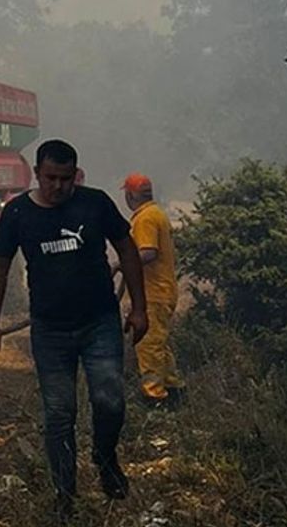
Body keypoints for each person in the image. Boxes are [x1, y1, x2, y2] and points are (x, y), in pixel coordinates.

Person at [0, 139, 148, 522]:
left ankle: (106, 460)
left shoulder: (96, 203)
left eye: (66, 178)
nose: (58, 187)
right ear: (37, 174)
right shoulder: (18, 213)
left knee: (110, 401)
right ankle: (65, 496)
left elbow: (127, 249)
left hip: (99, 323)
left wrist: (139, 308)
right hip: (50, 331)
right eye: (51, 178)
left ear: (77, 174)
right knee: (60, 414)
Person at [121, 173, 185, 407]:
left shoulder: (146, 218)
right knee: (159, 343)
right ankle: (173, 387)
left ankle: (154, 396)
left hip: (153, 293)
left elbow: (148, 252)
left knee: (148, 344)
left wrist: (122, 263)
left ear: (130, 195)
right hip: (163, 290)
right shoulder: (156, 213)